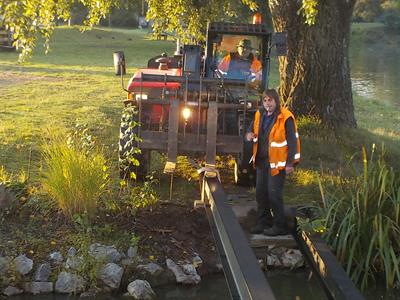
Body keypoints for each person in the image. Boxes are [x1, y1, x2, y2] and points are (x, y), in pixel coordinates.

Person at [246, 89, 301, 236]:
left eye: (270, 100)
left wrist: (290, 163)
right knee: (260, 193)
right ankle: (263, 222)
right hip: (262, 162)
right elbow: (249, 131)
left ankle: (280, 225)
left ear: (276, 101)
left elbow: (293, 142)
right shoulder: (260, 114)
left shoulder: (286, 117)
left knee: (274, 194)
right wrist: (249, 135)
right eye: (265, 101)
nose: (267, 104)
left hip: (278, 164)